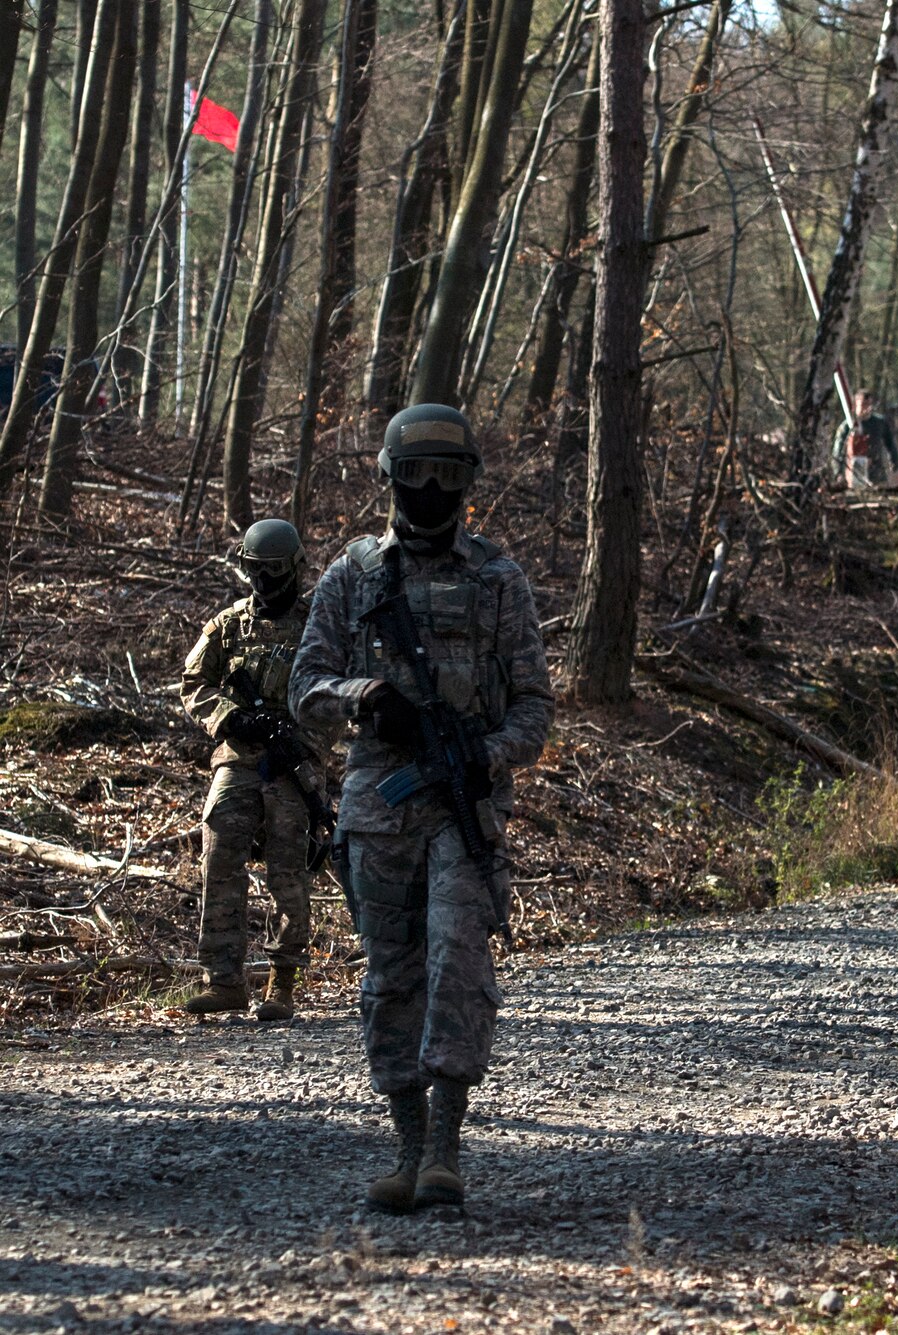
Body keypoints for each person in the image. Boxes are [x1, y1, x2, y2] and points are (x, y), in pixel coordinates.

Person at [291, 404, 555, 1216]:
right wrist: (362, 694)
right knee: (390, 977)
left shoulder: (497, 580)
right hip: (378, 803)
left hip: (462, 808)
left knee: (458, 965)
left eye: (449, 474)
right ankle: (406, 1140)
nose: (433, 490)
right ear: (390, 477)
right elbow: (305, 688)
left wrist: (488, 752)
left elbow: (535, 710)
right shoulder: (356, 574)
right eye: (417, 473)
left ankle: (445, 1141)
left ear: (470, 482)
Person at [179, 519, 325, 1022]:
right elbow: (194, 681)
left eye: (274, 571)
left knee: (288, 868)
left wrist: (304, 745)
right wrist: (229, 717)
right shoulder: (227, 625)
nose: (264, 581)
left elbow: (335, 695)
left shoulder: (316, 627)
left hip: (294, 764)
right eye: (255, 570)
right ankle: (223, 981)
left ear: (295, 568)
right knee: (219, 856)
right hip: (238, 758)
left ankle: (282, 983)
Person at [846, 390, 898, 487]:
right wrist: (838, 473)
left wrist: (895, 463)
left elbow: (890, 444)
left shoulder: (880, 423)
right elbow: (837, 451)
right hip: (854, 473)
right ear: (856, 406)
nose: (867, 408)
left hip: (876, 473)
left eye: (869, 404)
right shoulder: (848, 426)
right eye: (863, 405)